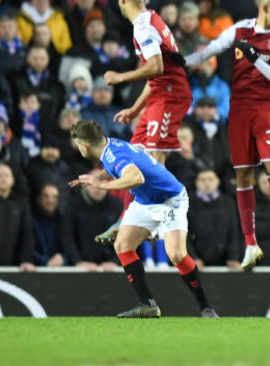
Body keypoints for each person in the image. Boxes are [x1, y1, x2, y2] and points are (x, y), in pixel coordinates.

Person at [184, 0, 270, 269]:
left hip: (268, 106)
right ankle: (250, 243)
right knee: (243, 174)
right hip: (239, 110)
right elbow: (209, 51)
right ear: (265, 7)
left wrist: (256, 59)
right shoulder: (239, 29)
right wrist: (178, 62)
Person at [68, 120, 217, 318]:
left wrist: (99, 184)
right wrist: (99, 177)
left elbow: (136, 178)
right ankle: (147, 304)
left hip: (170, 199)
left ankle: (206, 307)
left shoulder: (114, 155)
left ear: (84, 145)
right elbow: (119, 167)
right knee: (122, 245)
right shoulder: (109, 144)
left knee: (176, 255)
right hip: (145, 200)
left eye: (78, 146)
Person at [106, 0, 192, 164]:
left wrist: (120, 77)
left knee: (155, 156)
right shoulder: (153, 17)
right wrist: (135, 109)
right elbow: (156, 77)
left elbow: (156, 67)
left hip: (171, 96)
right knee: (137, 154)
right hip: (162, 92)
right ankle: (142, 193)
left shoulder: (143, 27)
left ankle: (166, 194)